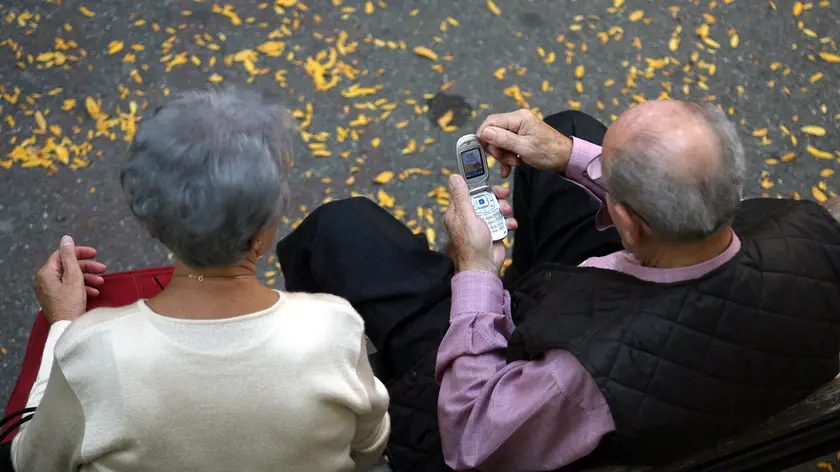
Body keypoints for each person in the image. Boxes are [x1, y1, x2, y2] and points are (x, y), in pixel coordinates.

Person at [276, 102, 840, 472]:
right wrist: (572, 156)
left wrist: (475, 273)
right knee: (569, 125)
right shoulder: (811, 232)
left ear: (631, 223)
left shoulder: (580, 381)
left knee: (340, 229)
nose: (598, 166)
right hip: (660, 304)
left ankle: (316, 366)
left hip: (498, 378)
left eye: (609, 177)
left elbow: (472, 435)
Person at [7, 90, 390, 472]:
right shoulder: (333, 328)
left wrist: (61, 323)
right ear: (260, 235)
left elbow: (31, 462)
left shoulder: (92, 352)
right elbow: (369, 446)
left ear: (155, 221)